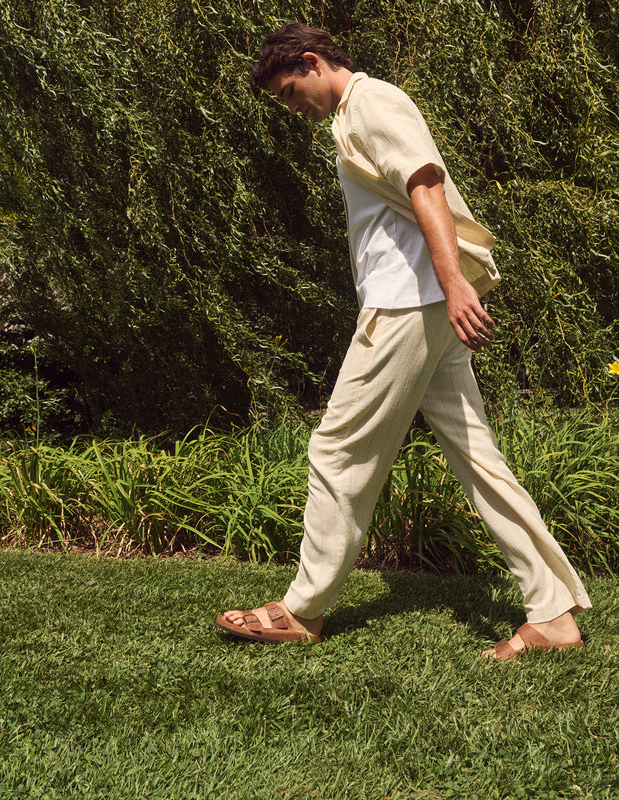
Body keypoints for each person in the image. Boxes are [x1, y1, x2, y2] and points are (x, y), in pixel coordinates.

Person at [216, 22, 591, 660]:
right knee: (478, 458)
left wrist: (452, 285)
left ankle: (301, 611)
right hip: (422, 305)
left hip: (407, 305)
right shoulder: (353, 114)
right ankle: (553, 615)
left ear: (311, 62)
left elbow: (426, 183)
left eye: (289, 91)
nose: (292, 107)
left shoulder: (372, 102)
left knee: (337, 450)